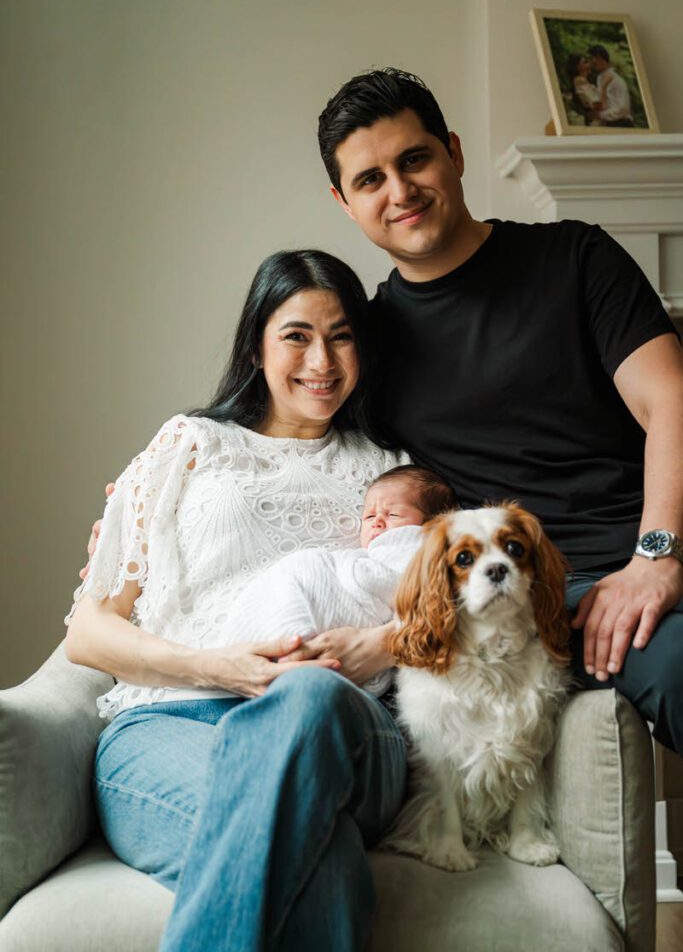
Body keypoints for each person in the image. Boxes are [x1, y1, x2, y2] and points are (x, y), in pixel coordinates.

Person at [317, 67, 683, 756]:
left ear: (453, 153)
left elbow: (671, 401)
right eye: (370, 180)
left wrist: (656, 556)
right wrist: (152, 503)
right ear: (344, 202)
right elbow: (285, 437)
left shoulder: (576, 256)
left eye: (414, 159)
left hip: (656, 547)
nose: (400, 191)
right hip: (535, 591)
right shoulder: (368, 343)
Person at [66, 249, 412, 951]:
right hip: (173, 725)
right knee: (326, 866)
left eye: (341, 336)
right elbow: (89, 633)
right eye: (296, 336)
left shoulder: (393, 472)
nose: (322, 360)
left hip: (344, 728)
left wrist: (378, 645)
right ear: (256, 345)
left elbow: (451, 609)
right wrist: (219, 667)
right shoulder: (189, 445)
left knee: (307, 692)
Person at [219, 465, 456, 696]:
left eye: (392, 514)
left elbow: (392, 584)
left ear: (431, 525)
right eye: (369, 516)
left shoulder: (416, 550)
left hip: (359, 636)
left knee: (306, 570)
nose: (377, 521)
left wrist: (349, 566)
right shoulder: (371, 554)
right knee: (298, 572)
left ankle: (284, 649)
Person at [587, 44, 635, 126]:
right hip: (608, 122)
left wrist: (601, 115)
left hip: (622, 123)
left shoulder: (617, 80)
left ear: (602, 58)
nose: (593, 61)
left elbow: (624, 109)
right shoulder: (600, 78)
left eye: (596, 58)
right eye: (592, 58)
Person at [566, 52, 607, 125]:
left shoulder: (582, 81)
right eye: (585, 62)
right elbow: (595, 104)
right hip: (591, 121)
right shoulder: (580, 80)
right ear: (577, 67)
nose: (589, 64)